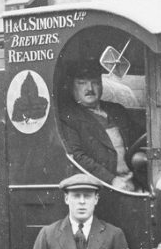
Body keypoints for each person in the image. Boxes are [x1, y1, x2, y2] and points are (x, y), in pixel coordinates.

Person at [57, 61, 138, 191]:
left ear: (101, 84)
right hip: (105, 186)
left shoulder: (117, 110)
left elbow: (139, 139)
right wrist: (111, 180)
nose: (89, 88)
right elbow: (78, 157)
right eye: (82, 83)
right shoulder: (69, 118)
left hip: (134, 178)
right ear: (72, 87)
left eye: (94, 82)